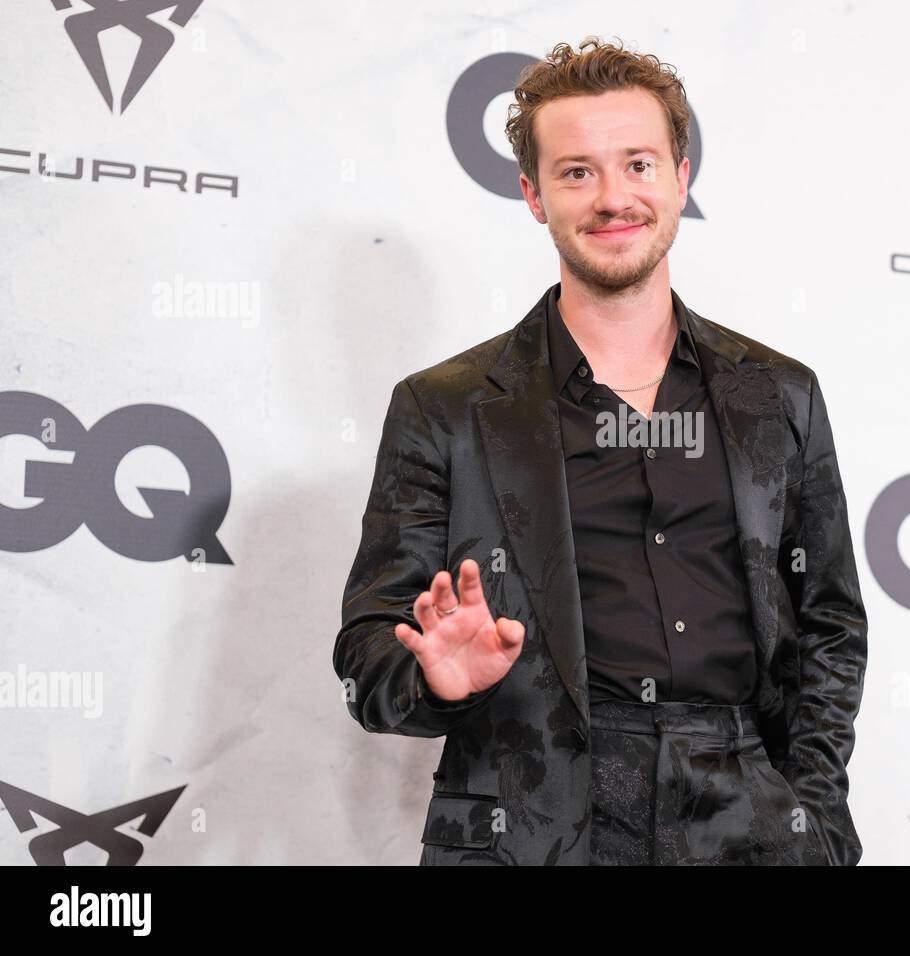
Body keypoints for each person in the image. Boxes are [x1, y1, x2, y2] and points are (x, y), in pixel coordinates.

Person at [334, 36, 869, 865]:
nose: (613, 197)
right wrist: (437, 679)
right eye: (577, 171)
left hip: (749, 820)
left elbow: (830, 621)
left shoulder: (780, 394)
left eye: (639, 165)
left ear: (681, 178)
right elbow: (370, 649)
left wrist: (813, 814)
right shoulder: (443, 408)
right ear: (533, 195)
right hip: (534, 824)